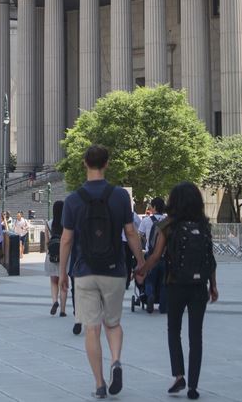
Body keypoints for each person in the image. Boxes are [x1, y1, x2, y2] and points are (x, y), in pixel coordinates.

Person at [57, 145, 145, 399]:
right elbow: (130, 232)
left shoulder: (73, 199)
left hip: (84, 271)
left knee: (92, 329)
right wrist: (139, 261)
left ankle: (99, 383)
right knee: (113, 323)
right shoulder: (119, 196)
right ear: (107, 164)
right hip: (114, 269)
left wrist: (63, 272)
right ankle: (116, 361)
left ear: (85, 163)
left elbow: (66, 239)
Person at [135, 182, 218, 400]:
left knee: (174, 331)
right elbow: (210, 258)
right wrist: (214, 286)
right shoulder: (204, 224)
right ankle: (194, 386)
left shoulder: (168, 225)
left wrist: (141, 270)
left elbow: (155, 256)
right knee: (196, 336)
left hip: (175, 284)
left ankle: (179, 375)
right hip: (199, 287)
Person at [138, 197, 167, 314]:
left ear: (154, 207)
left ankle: (150, 295)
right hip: (165, 256)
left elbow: (139, 235)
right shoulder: (168, 221)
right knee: (163, 280)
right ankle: (163, 304)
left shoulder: (146, 221)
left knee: (149, 278)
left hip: (150, 255)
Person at [45, 199, 66, 316]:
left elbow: (47, 242)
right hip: (64, 255)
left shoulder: (49, 223)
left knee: (53, 281)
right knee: (63, 282)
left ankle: (54, 301)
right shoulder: (66, 223)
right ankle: (63, 310)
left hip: (51, 255)